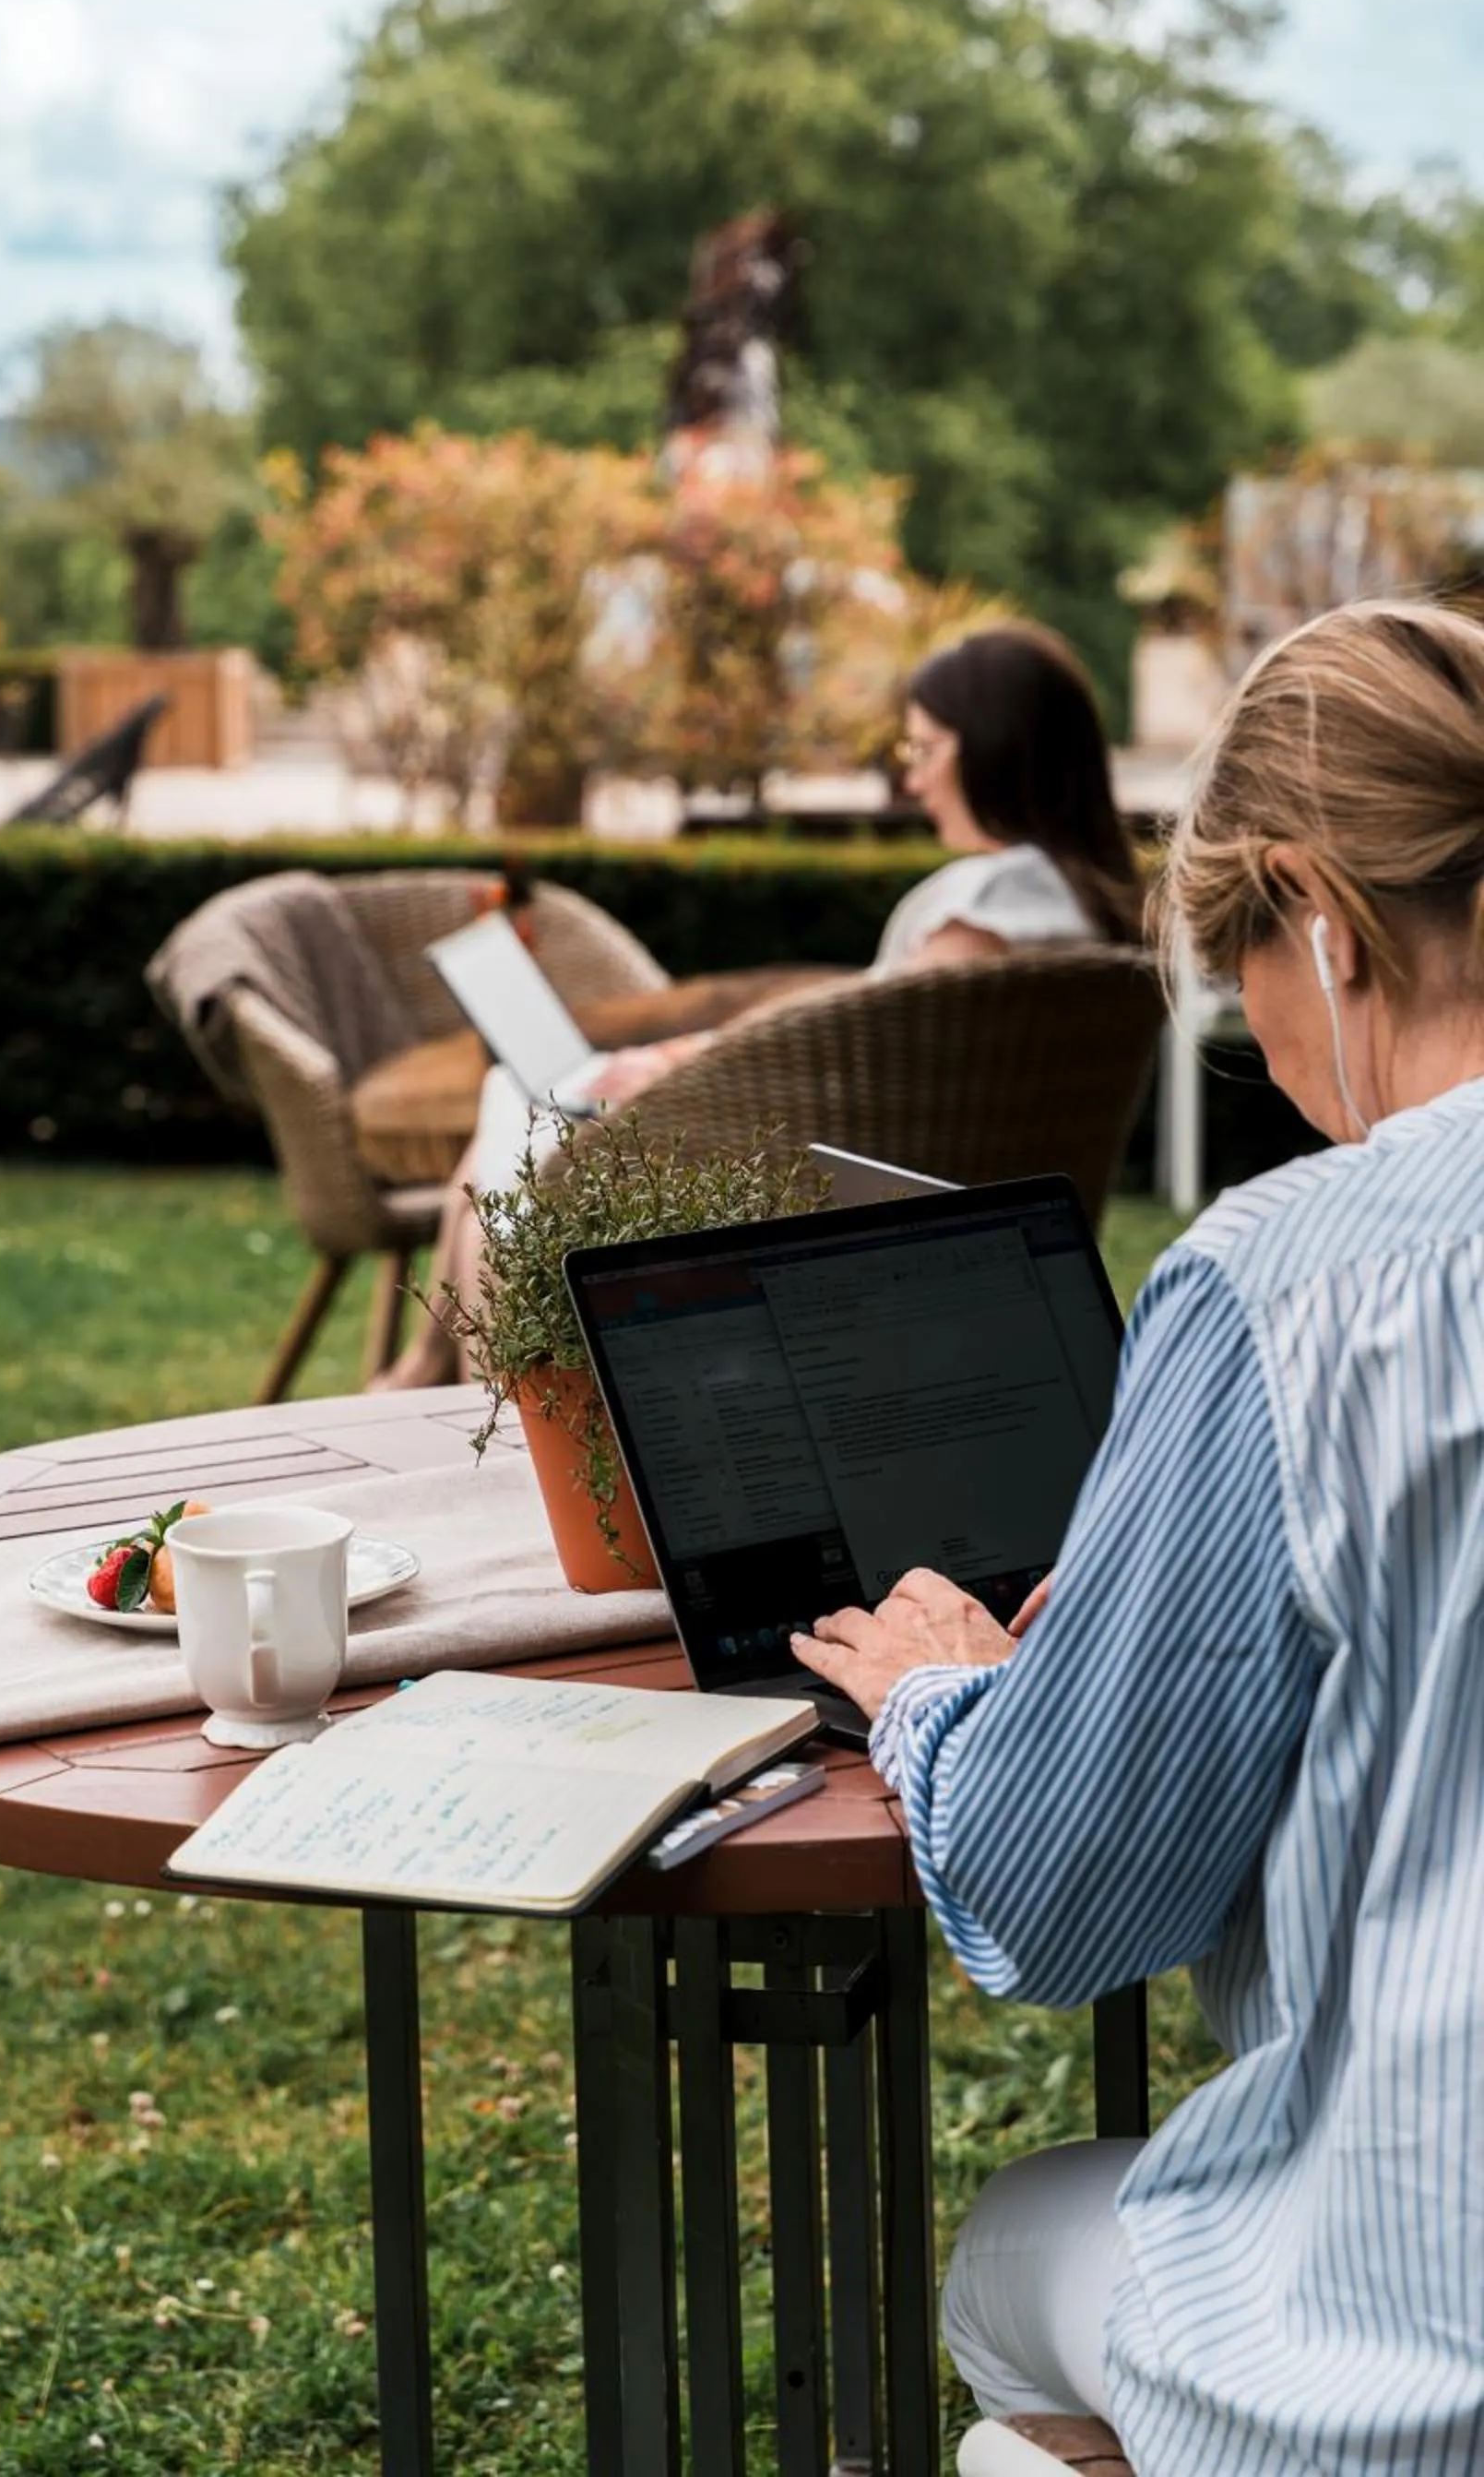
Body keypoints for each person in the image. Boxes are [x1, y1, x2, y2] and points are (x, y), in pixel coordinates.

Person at [790, 597, 1484, 2473]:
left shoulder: (1291, 1283)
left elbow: (1066, 1889)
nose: (1263, 1049)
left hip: (1420, 2341)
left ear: (1313, 909)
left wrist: (945, 1702)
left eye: (1243, 990)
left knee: (1011, 2258)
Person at [375, 622, 1141, 1390]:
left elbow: (869, 1069)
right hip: (964, 1232)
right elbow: (869, 1034)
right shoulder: (1084, 912)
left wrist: (683, 1074)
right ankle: (430, 1370)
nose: (914, 782)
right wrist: (697, 1054)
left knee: (514, 1130)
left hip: (825, 1216)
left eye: (925, 750)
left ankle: (463, 1403)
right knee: (515, 1128)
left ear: (997, 748)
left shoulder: (992, 903)